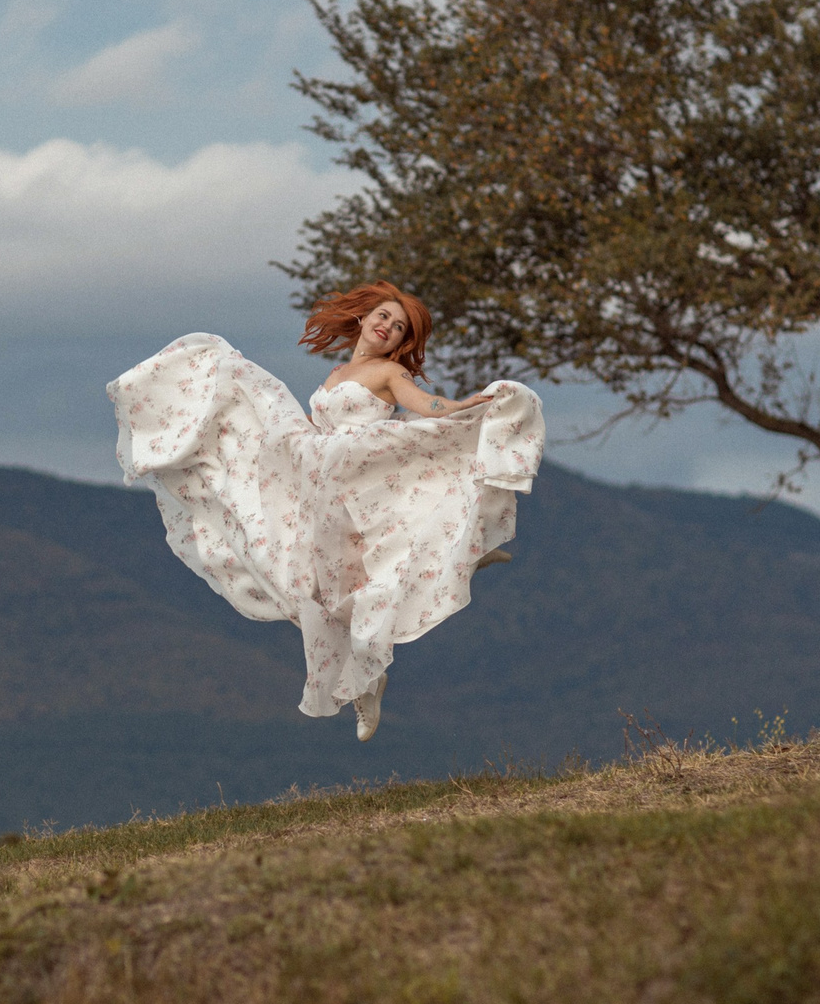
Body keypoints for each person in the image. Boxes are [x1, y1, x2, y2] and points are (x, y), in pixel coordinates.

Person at [106, 282, 545, 740]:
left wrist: (459, 406)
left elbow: (426, 407)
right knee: (312, 588)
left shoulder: (388, 373)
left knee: (362, 577)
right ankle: (368, 681)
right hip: (320, 479)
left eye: (398, 328)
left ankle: (460, 556)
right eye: (383, 317)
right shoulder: (338, 372)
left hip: (359, 474)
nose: (387, 328)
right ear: (362, 318)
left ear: (401, 343)